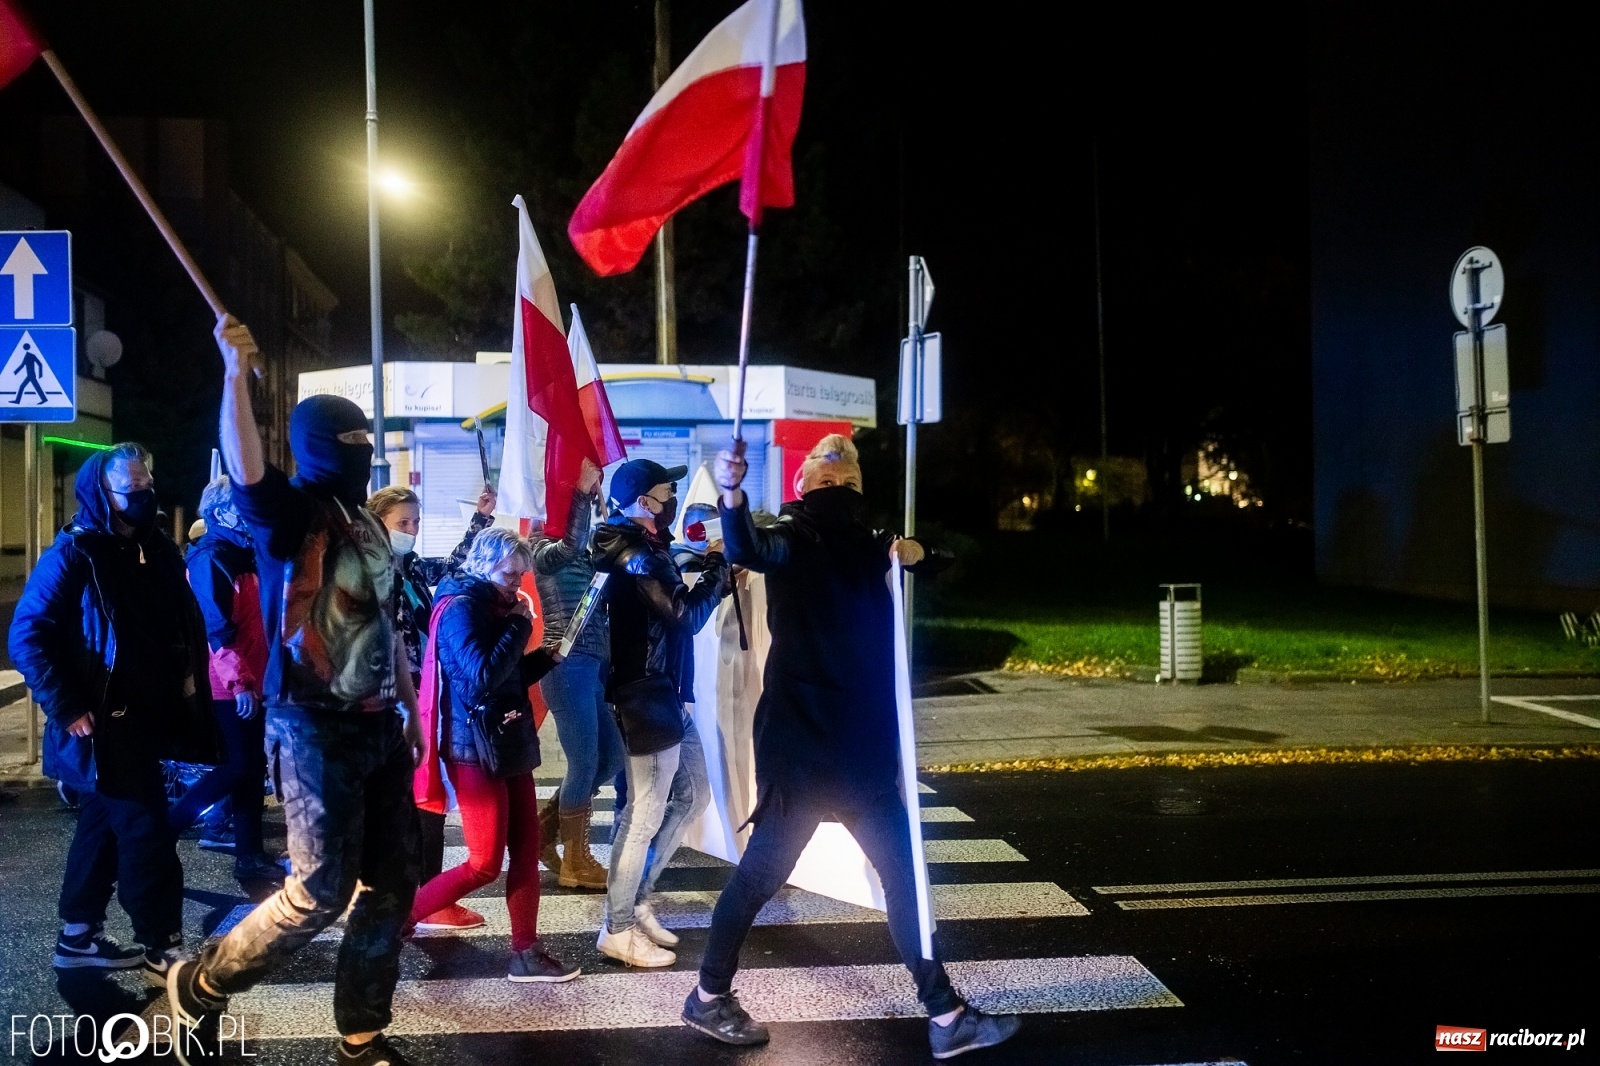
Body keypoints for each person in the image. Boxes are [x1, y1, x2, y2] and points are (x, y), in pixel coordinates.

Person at [683, 435, 1021, 1059]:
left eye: (848, 471)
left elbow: (941, 560)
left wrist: (917, 551)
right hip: (804, 747)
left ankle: (945, 1014)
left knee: (904, 878)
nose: (836, 462)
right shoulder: (792, 538)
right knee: (762, 875)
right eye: (825, 467)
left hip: (862, 750)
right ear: (804, 485)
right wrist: (731, 493)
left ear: (859, 487)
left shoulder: (873, 545)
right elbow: (745, 547)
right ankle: (707, 997)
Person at [167, 316, 425, 1066]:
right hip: (312, 722)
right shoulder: (287, 512)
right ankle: (202, 983)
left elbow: (390, 621)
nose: (362, 450)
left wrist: (406, 703)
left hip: (379, 724)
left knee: (391, 885)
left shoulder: (368, 524)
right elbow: (246, 462)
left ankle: (361, 1034)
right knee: (316, 891)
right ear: (318, 446)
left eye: (366, 440)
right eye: (349, 441)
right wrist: (231, 376)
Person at [8, 443, 220, 985]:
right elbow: (28, 635)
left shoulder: (156, 548)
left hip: (147, 716)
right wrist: (66, 705)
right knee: (147, 831)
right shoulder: (75, 553)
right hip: (106, 722)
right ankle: (161, 946)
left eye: (148, 484)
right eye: (133, 489)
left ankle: (77, 938)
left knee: (101, 827)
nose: (144, 495)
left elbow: (178, 622)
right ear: (101, 493)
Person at [407, 527, 578, 982]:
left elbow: (508, 676)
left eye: (521, 572)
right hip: (474, 749)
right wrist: (521, 624)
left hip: (507, 738)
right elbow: (480, 677)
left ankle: (525, 952)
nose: (517, 582)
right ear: (484, 564)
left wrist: (549, 657)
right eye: (509, 572)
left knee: (524, 852)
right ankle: (397, 921)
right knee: (483, 863)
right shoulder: (461, 607)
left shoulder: (496, 605)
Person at [591, 458, 730, 967]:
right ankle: (618, 926)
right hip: (644, 694)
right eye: (666, 493)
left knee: (693, 794)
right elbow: (685, 617)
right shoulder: (635, 553)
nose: (672, 501)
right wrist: (718, 566)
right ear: (644, 502)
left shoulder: (649, 548)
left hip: (666, 692)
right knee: (643, 813)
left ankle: (636, 899)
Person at [369, 482, 494, 931]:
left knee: (423, 796)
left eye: (416, 522)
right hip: (389, 700)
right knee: (416, 798)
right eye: (403, 523)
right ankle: (418, 896)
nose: (412, 530)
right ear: (376, 522)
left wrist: (480, 520)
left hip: (422, 695)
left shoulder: (411, 566)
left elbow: (453, 568)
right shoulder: (369, 571)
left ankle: (421, 892)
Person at [173, 475, 284, 881]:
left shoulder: (242, 553)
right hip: (227, 682)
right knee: (239, 765)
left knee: (251, 769)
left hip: (252, 676)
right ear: (221, 513)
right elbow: (216, 627)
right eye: (242, 506)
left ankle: (250, 854)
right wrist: (239, 681)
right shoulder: (211, 558)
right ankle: (167, 827)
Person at [531, 458, 624, 890]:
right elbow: (567, 546)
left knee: (611, 758)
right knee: (585, 762)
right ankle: (576, 862)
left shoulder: (584, 551)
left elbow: (599, 558)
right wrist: (581, 495)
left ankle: (542, 831)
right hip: (565, 667)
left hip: (592, 668)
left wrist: (601, 506)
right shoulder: (542, 548)